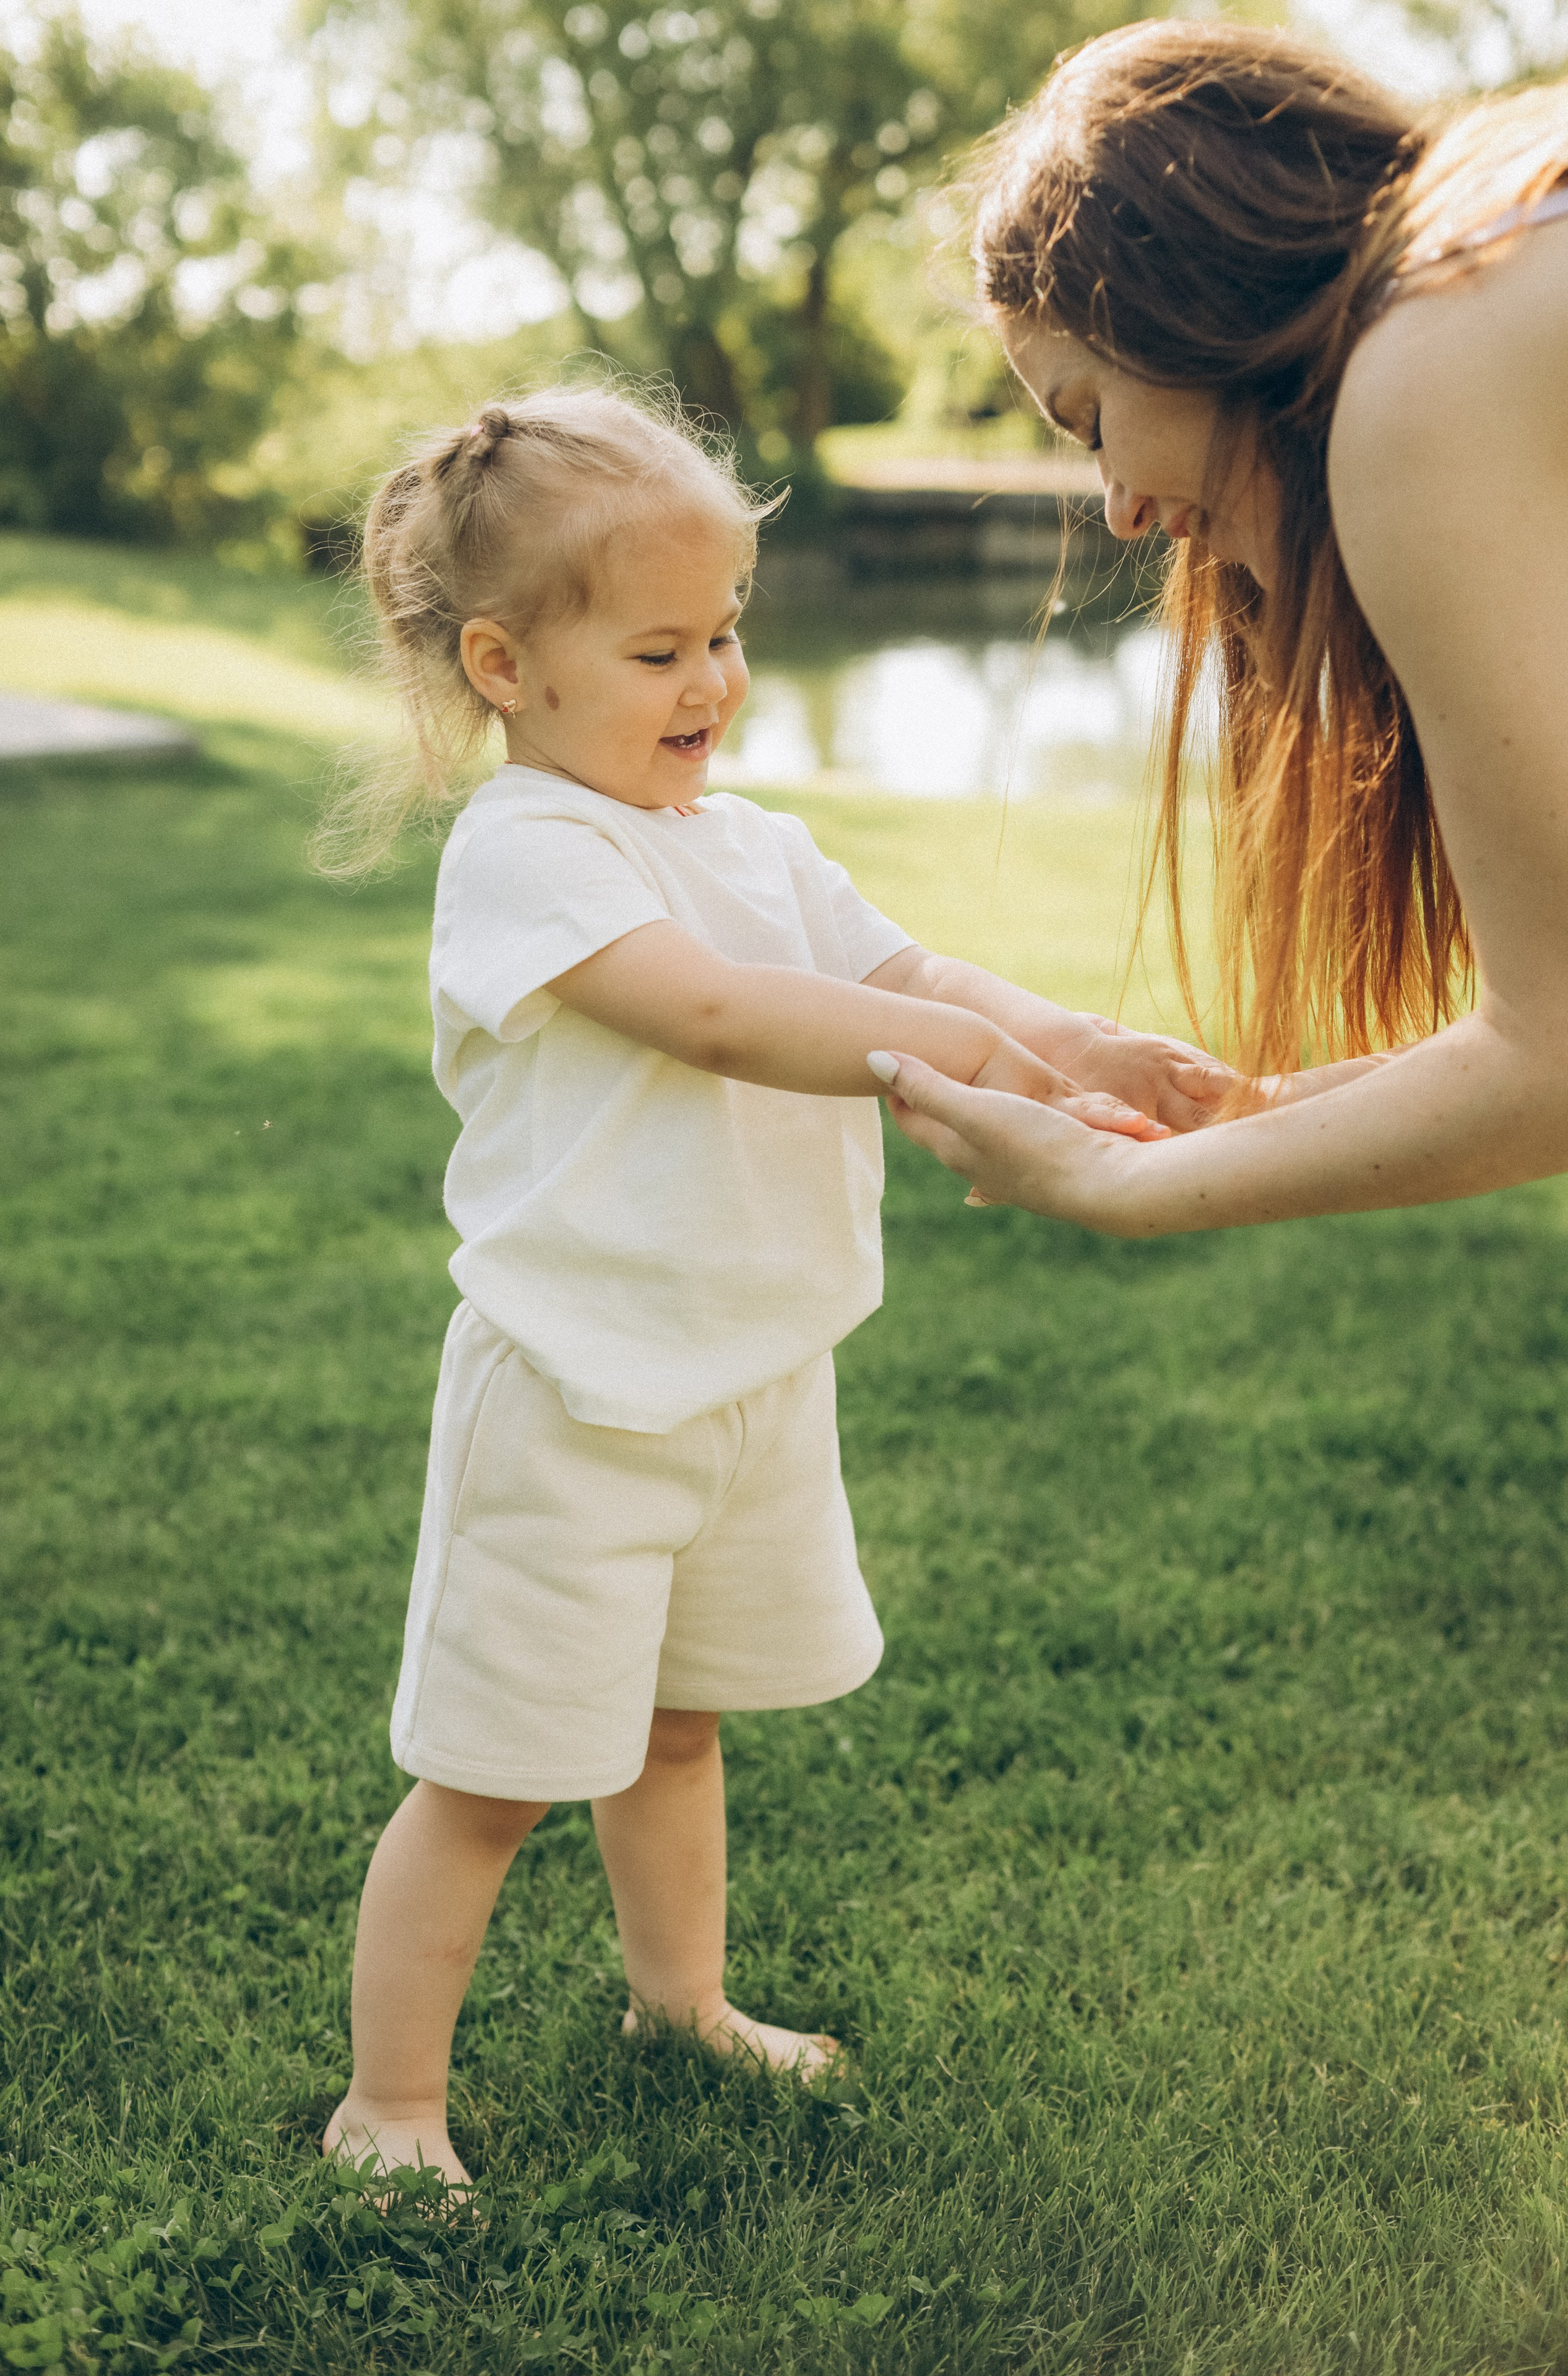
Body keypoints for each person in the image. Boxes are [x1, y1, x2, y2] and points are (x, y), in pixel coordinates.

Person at [315, 384, 1227, 2189]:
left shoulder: (750, 843)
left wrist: (1070, 1036)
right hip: (578, 1391)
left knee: (676, 1725)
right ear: (504, 668)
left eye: (726, 633)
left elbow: (900, 958)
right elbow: (727, 1016)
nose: (712, 682)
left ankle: (684, 1999)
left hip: (746, 1373)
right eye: (658, 649)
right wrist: (954, 1065)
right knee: (495, 1776)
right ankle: (392, 2104)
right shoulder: (531, 857)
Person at [868, 22, 1568, 1238]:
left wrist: (1121, 1184)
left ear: (1171, 301)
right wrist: (1242, 1111)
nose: (1121, 509)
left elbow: (1552, 1053)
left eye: (1086, 420)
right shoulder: (1493, 260)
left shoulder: (1415, 374)